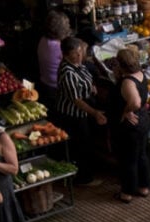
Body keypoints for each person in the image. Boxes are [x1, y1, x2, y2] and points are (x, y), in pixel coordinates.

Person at [56, 36, 107, 186]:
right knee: (81, 145)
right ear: (66, 55)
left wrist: (90, 86)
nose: (79, 56)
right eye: (75, 53)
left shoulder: (77, 64)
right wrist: (95, 113)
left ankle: (88, 172)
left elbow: (84, 75)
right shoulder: (67, 72)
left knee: (86, 142)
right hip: (73, 115)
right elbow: (76, 100)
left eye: (80, 52)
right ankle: (84, 178)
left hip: (84, 112)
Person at [112, 47, 150, 204]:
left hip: (132, 124)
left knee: (128, 158)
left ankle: (127, 192)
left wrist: (125, 111)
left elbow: (135, 102)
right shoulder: (140, 74)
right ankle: (144, 187)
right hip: (143, 120)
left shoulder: (128, 82)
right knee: (142, 154)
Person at [37, 9, 72, 111]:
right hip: (56, 87)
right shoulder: (57, 47)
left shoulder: (43, 39)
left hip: (45, 82)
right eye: (67, 25)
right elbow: (75, 62)